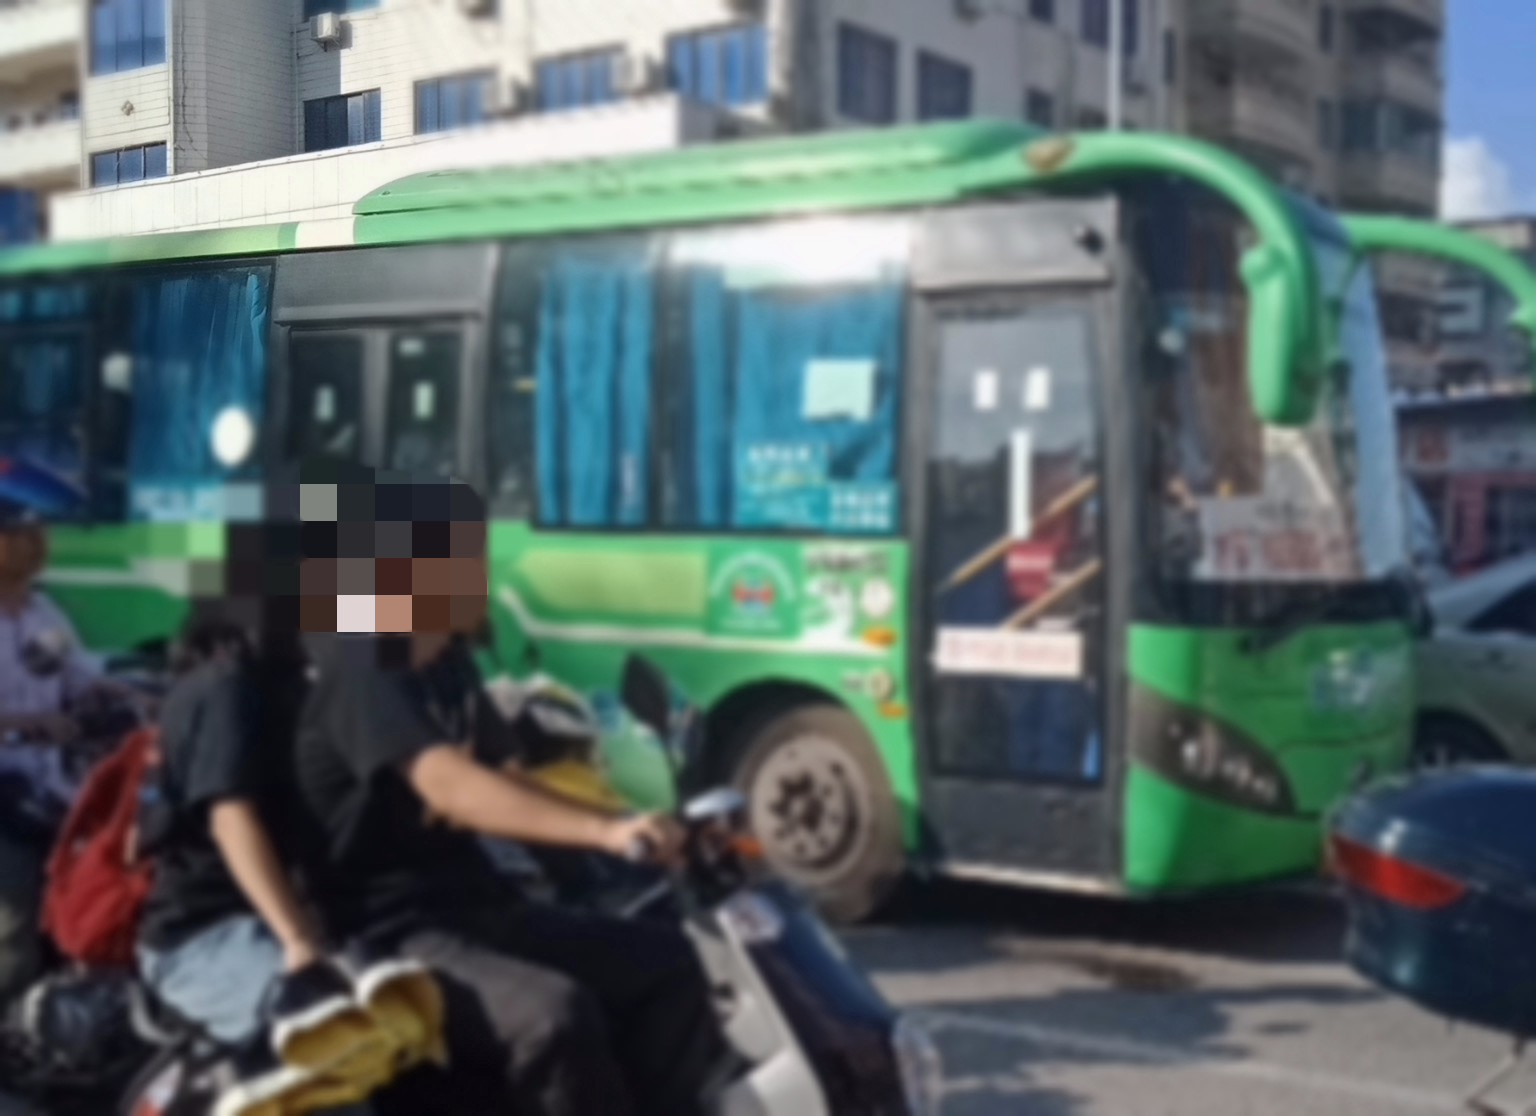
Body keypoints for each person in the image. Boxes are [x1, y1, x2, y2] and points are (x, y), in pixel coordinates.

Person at [284, 464, 730, 1116]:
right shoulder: (361, 661)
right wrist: (608, 833)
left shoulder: (449, 665)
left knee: (669, 963)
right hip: (390, 932)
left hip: (479, 906)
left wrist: (645, 831)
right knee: (552, 1015)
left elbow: (516, 784)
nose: (482, 574)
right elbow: (451, 786)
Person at [134, 601, 330, 1048]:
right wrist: (298, 940)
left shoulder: (286, 685)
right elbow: (231, 819)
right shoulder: (227, 688)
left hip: (283, 915)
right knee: (330, 1029)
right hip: (207, 935)